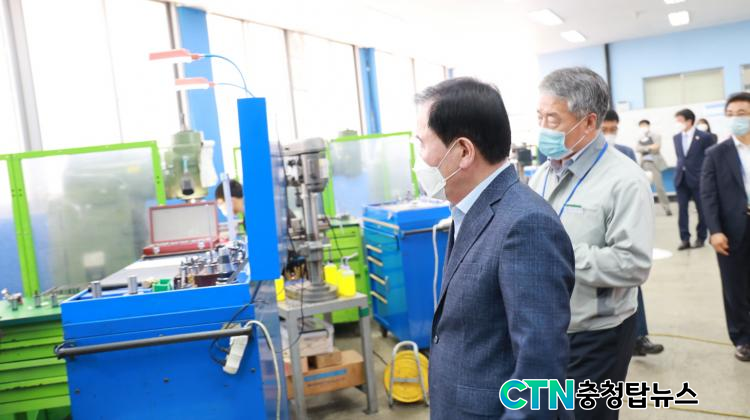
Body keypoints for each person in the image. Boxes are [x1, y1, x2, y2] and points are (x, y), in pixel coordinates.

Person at [414, 78, 575, 419]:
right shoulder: (468, 210)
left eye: (422, 143)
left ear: (463, 151)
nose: (419, 159)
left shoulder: (526, 224)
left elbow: (542, 366)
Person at [528, 67, 654, 420]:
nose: (543, 127)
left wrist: (561, 255)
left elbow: (633, 264)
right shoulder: (542, 174)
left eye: (553, 119)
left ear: (588, 122)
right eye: (539, 117)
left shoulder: (624, 180)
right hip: (547, 327)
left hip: (596, 336)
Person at [601, 110, 665, 358]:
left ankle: (639, 337)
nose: (609, 134)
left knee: (631, 283)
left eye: (613, 129)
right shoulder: (576, 156)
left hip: (622, 225)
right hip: (595, 227)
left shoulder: (625, 153)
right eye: (605, 129)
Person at [700, 92, 750, 362]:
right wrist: (715, 231)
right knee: (735, 287)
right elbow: (708, 195)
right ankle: (742, 338)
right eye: (730, 114)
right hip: (731, 230)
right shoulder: (716, 154)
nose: (735, 119)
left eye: (741, 114)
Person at [673, 109, 716, 250]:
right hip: (681, 179)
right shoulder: (676, 137)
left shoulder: (704, 137)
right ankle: (684, 239)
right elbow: (681, 157)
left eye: (679, 120)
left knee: (702, 210)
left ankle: (701, 237)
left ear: (689, 121)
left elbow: (710, 158)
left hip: (699, 179)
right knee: (682, 210)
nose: (677, 123)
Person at [636, 119, 672, 216]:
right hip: (643, 164)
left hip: (654, 164)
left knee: (659, 187)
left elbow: (657, 147)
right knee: (643, 188)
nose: (643, 127)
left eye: (644, 125)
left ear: (648, 125)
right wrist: (649, 147)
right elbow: (637, 148)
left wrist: (645, 148)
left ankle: (667, 208)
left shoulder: (656, 135)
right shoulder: (640, 137)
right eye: (641, 125)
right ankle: (643, 210)